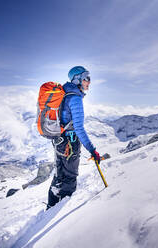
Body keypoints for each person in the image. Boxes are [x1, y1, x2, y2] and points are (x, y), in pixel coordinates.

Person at [47, 66, 100, 209]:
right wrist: (92, 150)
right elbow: (79, 128)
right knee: (69, 178)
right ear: (78, 79)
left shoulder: (65, 94)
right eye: (86, 78)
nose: (89, 81)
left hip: (59, 141)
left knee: (59, 175)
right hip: (70, 143)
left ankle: (50, 208)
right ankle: (62, 213)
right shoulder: (75, 98)